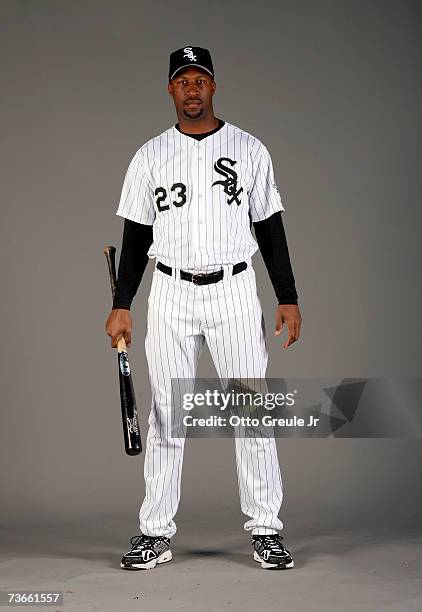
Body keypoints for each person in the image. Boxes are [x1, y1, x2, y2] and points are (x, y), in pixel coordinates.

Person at [105, 46, 302, 571]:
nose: (192, 88)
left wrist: (287, 295)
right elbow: (135, 233)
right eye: (182, 80)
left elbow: (270, 226)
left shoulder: (250, 149)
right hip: (170, 291)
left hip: (235, 289)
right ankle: (154, 532)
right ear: (169, 90)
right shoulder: (149, 156)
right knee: (168, 413)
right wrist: (123, 304)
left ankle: (266, 529)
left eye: (200, 79)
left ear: (213, 86)